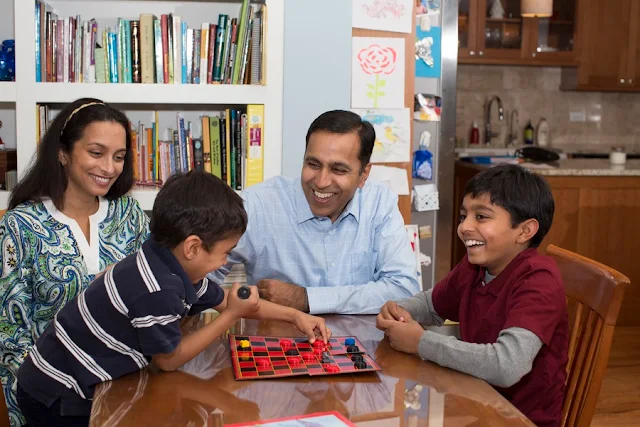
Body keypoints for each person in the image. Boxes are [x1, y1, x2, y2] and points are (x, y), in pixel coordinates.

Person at [15, 170, 330, 427]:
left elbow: (232, 300)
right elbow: (169, 360)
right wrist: (231, 317)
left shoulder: (168, 262)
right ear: (193, 247)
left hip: (73, 377)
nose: (225, 262)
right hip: (57, 392)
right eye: (225, 253)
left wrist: (295, 316)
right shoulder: (157, 288)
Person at [376, 164, 568, 427]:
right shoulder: (474, 266)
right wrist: (399, 309)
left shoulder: (538, 279)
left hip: (517, 418)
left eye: (481, 217)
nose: (464, 227)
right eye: (463, 215)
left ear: (524, 231)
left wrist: (420, 342)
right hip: (473, 398)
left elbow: (507, 365)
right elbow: (430, 305)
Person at [0, 98, 149, 426]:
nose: (109, 167)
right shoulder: (20, 226)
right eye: (96, 153)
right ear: (63, 153)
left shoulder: (131, 217)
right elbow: (10, 330)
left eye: (119, 156)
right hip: (50, 395)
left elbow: (157, 295)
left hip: (128, 384)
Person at [209, 110, 419, 315]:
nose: (321, 182)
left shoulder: (379, 203)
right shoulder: (258, 205)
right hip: (275, 344)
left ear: (364, 174)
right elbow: (197, 275)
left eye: (338, 170)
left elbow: (404, 289)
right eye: (313, 164)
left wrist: (307, 299)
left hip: (362, 346)